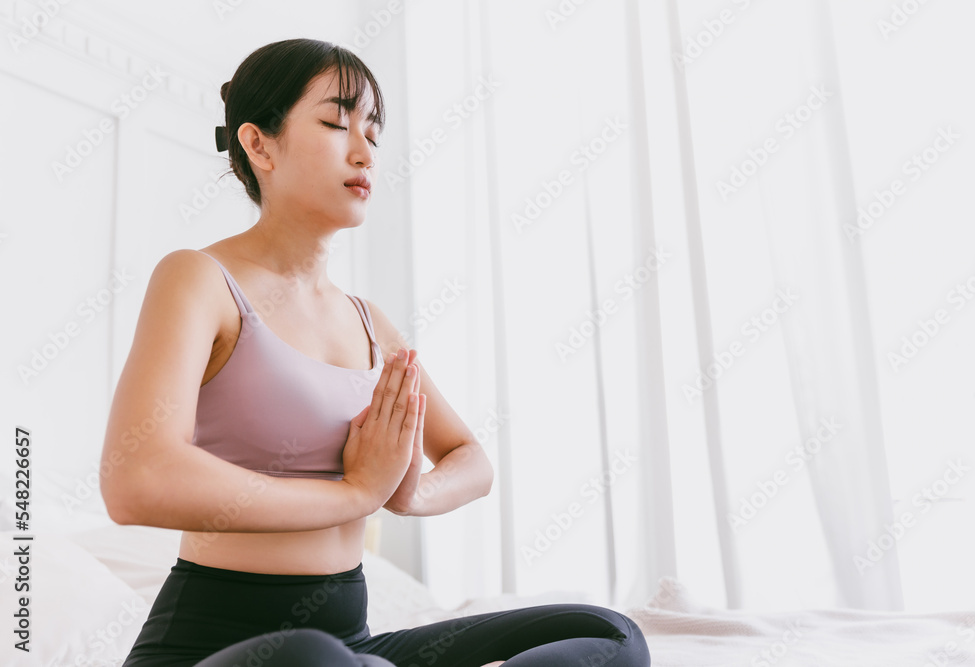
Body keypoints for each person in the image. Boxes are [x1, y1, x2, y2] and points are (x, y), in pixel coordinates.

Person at [101, 37, 651, 667]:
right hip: (214, 644)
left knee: (610, 633)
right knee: (315, 658)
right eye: (336, 124)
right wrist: (354, 493)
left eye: (373, 132)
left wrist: (405, 492)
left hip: (353, 643)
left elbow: (471, 460)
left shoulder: (369, 323)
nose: (364, 152)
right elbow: (135, 479)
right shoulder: (199, 280)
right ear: (259, 145)